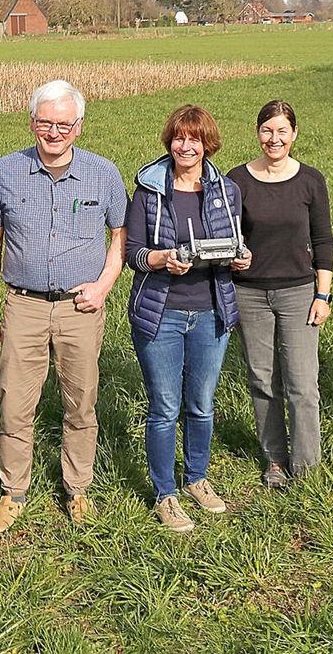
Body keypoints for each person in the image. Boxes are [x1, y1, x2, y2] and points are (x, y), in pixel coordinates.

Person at [0, 80, 127, 533]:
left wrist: (102, 287)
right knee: (15, 405)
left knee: (81, 404)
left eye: (64, 124)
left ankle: (77, 490)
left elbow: (120, 239)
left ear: (79, 126)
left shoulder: (104, 174)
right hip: (24, 306)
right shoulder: (5, 171)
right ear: (32, 123)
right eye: (46, 123)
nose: (54, 132)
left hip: (81, 308)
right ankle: (12, 493)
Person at [126, 105, 250, 531]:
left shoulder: (225, 190)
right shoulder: (148, 189)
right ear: (170, 141)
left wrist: (241, 257)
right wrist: (160, 259)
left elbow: (234, 241)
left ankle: (197, 478)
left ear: (207, 144)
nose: (186, 146)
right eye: (180, 138)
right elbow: (132, 254)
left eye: (194, 139)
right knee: (164, 406)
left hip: (211, 312)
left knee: (200, 404)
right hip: (161, 314)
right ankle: (166, 493)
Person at [228, 101, 333, 489]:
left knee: (303, 384)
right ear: (258, 133)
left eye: (282, 131)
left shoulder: (310, 181)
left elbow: (323, 240)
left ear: (294, 134)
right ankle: (274, 459)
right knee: (262, 379)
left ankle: (306, 467)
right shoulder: (236, 180)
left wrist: (323, 296)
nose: (274, 139)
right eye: (267, 131)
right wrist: (233, 259)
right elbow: (227, 237)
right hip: (250, 294)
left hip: (299, 294)